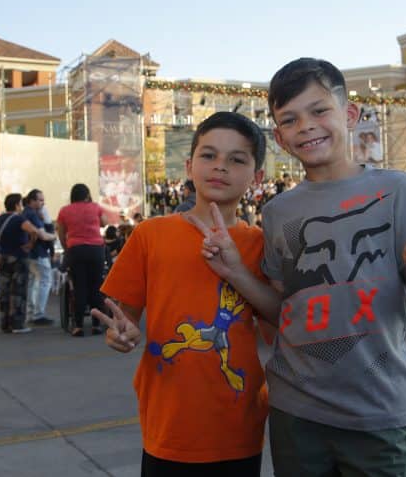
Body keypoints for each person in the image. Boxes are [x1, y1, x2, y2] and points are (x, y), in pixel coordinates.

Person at [187, 59, 406, 475]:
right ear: (280, 137)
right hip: (295, 411)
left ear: (349, 114)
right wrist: (235, 271)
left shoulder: (395, 190)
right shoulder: (278, 212)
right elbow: (282, 311)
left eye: (319, 110)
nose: (306, 126)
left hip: (378, 410)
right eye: (289, 119)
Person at [91, 112, 270, 475]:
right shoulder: (150, 235)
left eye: (237, 159)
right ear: (189, 166)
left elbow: (277, 325)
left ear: (257, 177)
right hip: (168, 423)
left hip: (238, 424)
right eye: (209, 155)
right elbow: (124, 320)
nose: (220, 166)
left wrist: (239, 273)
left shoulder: (261, 244)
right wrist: (120, 334)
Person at [57, 183, 108, 337]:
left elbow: (61, 233)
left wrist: (67, 248)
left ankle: (78, 326)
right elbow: (104, 223)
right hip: (96, 250)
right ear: (87, 195)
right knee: (96, 286)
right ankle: (96, 324)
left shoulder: (64, 211)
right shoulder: (95, 207)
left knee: (80, 287)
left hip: (76, 250)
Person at [0, 193, 40, 334]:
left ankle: (5, 323)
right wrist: (30, 244)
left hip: (3, 258)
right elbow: (34, 231)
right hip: (19, 258)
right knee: (18, 292)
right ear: (17, 205)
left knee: (5, 292)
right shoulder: (19, 219)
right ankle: (18, 324)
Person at [23, 189, 57, 326]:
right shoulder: (32, 214)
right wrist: (54, 236)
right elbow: (43, 235)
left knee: (33, 282)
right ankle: (38, 313)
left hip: (29, 254)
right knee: (45, 280)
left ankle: (31, 313)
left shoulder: (26, 213)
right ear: (32, 201)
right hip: (39, 253)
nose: (43, 203)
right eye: (40, 200)